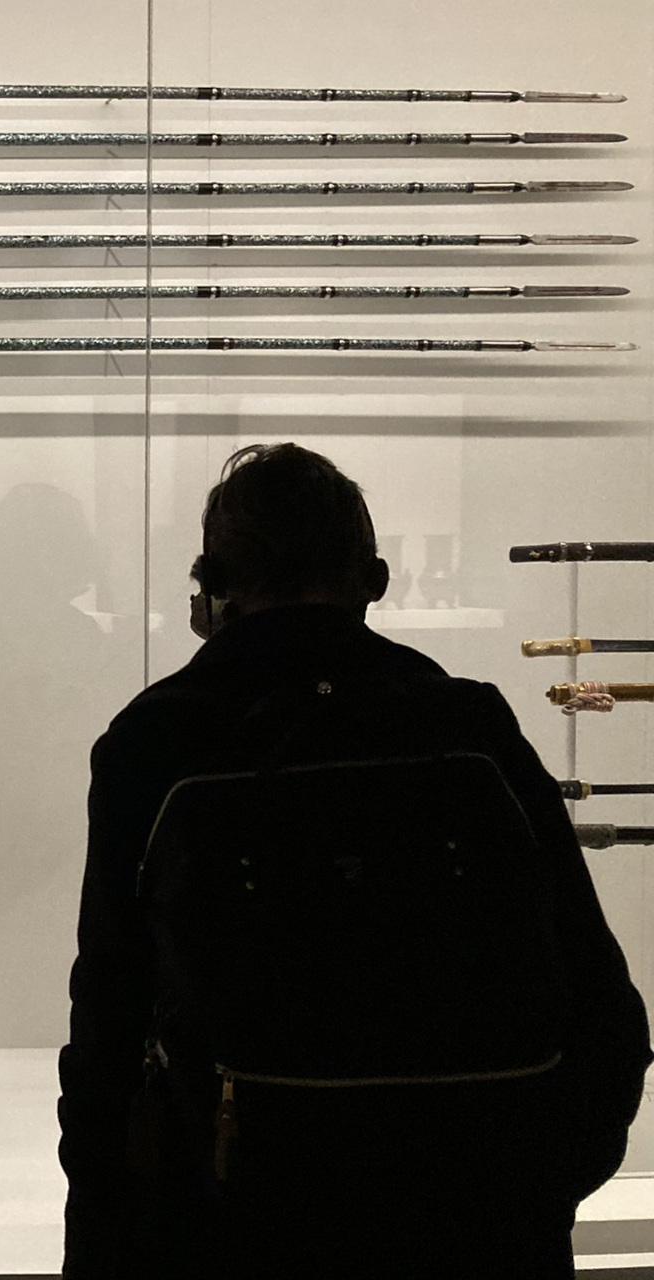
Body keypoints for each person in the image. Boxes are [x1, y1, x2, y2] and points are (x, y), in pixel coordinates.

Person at [58, 443, 651, 1278]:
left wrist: (101, 1238)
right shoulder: (467, 724)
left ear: (213, 582)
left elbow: (109, 1016)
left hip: (239, 1218)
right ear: (370, 578)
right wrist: (540, 1176)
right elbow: (600, 991)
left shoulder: (158, 742)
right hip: (477, 1213)